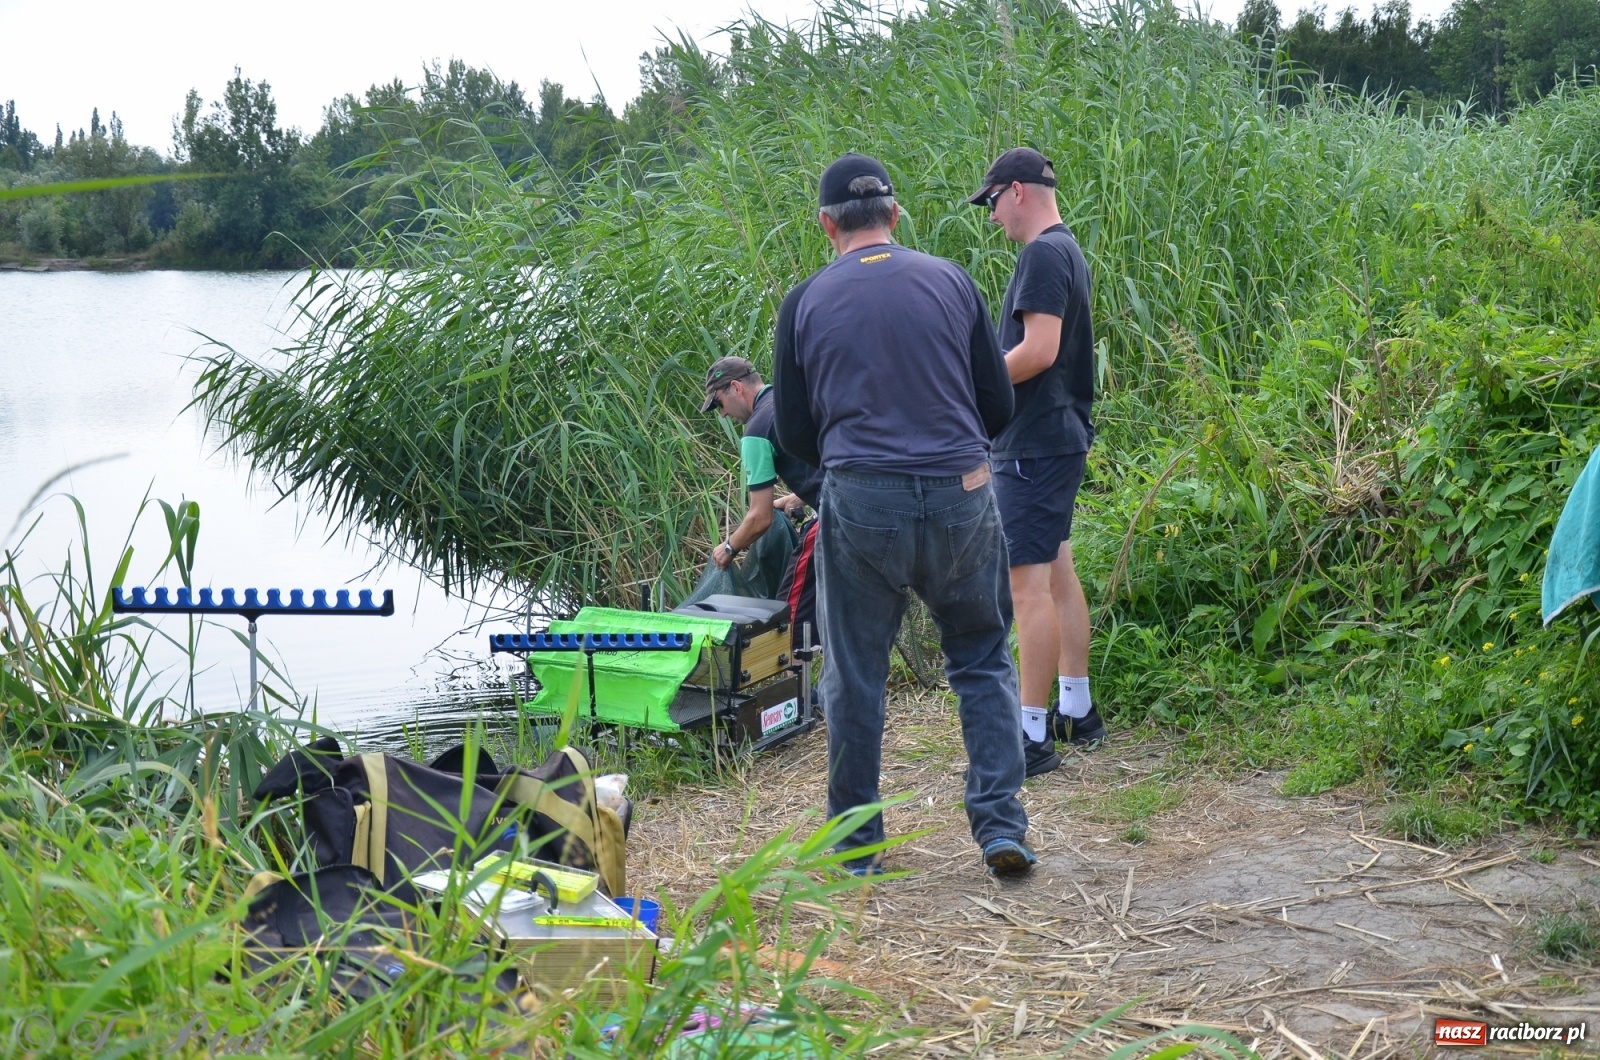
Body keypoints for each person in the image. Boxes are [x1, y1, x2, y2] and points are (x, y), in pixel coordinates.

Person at [774, 152, 1036, 877]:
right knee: (982, 658)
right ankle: (1000, 827)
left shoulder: (804, 301)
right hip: (961, 489)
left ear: (827, 225)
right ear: (895, 214)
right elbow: (998, 403)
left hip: (862, 498)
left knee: (854, 675)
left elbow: (792, 431)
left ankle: (859, 850)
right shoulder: (951, 280)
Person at [966, 147, 1106, 778]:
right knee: (1056, 574)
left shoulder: (1042, 254)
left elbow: (1041, 350)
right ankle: (1077, 710)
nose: (992, 217)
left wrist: (971, 384)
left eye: (991, 202)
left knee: (1028, 589)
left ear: (1016, 191)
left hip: (1034, 443)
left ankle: (1031, 736)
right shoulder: (1067, 249)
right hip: (1059, 437)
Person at [701, 356, 825, 656]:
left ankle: (796, 692)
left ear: (735, 388)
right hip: (870, 499)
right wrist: (795, 498)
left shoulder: (756, 431)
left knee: (789, 614)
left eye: (719, 404)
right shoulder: (796, 398)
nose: (723, 415)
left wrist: (728, 548)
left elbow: (760, 517)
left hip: (838, 515)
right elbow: (822, 465)